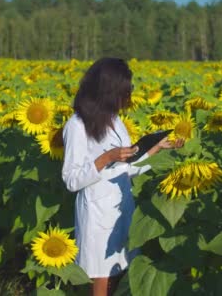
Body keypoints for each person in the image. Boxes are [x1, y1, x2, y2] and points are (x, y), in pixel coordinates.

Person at [61, 57, 184, 296]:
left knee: (118, 272)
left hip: (121, 208)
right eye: (124, 92)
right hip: (97, 214)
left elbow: (128, 166)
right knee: (100, 277)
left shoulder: (116, 122)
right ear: (107, 90)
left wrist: (157, 149)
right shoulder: (77, 125)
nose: (127, 98)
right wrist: (106, 157)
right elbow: (71, 180)